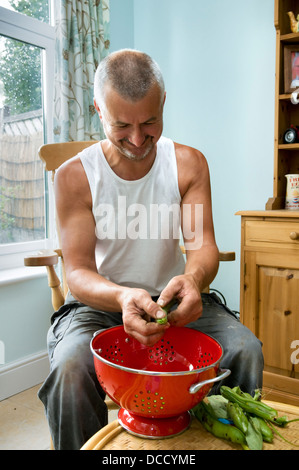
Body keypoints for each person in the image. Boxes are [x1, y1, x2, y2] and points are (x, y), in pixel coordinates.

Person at [38, 49, 264, 450]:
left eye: (150, 122)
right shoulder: (75, 176)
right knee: (69, 370)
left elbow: (203, 248)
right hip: (97, 305)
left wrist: (194, 278)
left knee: (245, 350)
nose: (138, 140)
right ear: (98, 110)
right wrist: (123, 295)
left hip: (173, 301)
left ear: (163, 104)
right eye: (122, 125)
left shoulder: (189, 164)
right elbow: (77, 273)